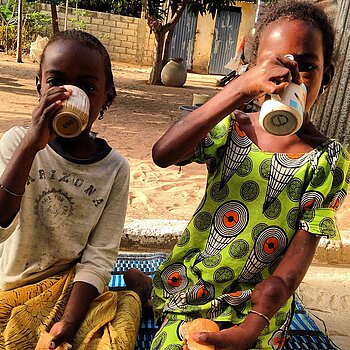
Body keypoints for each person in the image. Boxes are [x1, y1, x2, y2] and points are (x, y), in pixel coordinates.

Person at [134, 1, 350, 349]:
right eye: (274, 65)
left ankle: (149, 292)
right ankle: (151, 292)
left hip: (261, 303)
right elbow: (163, 154)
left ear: (327, 77)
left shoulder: (329, 159)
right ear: (253, 70)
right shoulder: (232, 128)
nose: (289, 78)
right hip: (194, 285)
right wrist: (237, 91)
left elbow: (301, 251)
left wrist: (254, 325)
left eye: (307, 66)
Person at [0, 30, 140, 350]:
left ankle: (138, 291)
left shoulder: (114, 169)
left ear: (106, 97)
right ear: (39, 86)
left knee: (115, 336)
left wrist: (69, 322)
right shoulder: (15, 145)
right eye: (55, 82)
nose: (68, 95)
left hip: (69, 292)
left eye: (87, 88)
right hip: (9, 288)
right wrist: (29, 148)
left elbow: (98, 257)